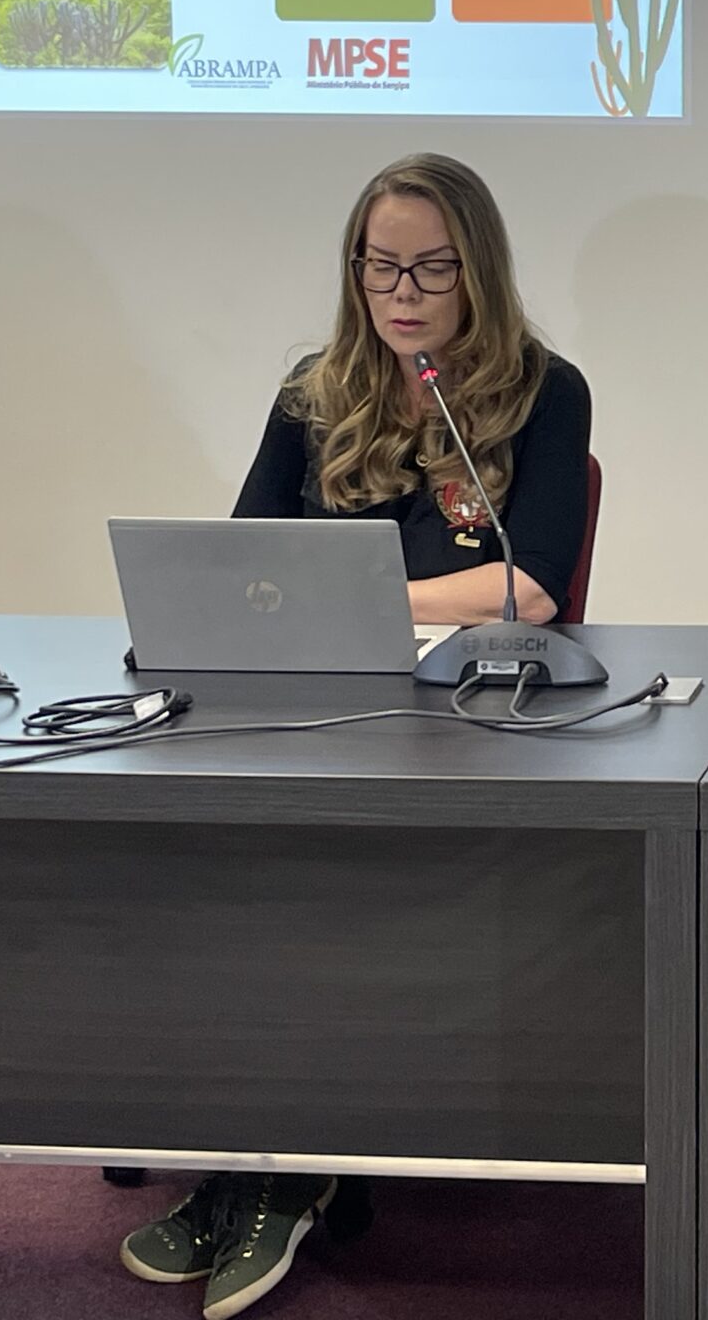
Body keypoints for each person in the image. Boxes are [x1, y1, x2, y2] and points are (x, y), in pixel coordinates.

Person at [117, 151, 590, 1320]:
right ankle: (243, 1158)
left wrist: (354, 596)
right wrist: (318, 606)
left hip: (461, 723)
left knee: (318, 878)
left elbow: (528, 585)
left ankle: (283, 1171)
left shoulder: (544, 391)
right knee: (199, 857)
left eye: (431, 268)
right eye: (380, 266)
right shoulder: (315, 390)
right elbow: (241, 560)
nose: (402, 293)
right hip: (310, 704)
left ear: (477, 270)